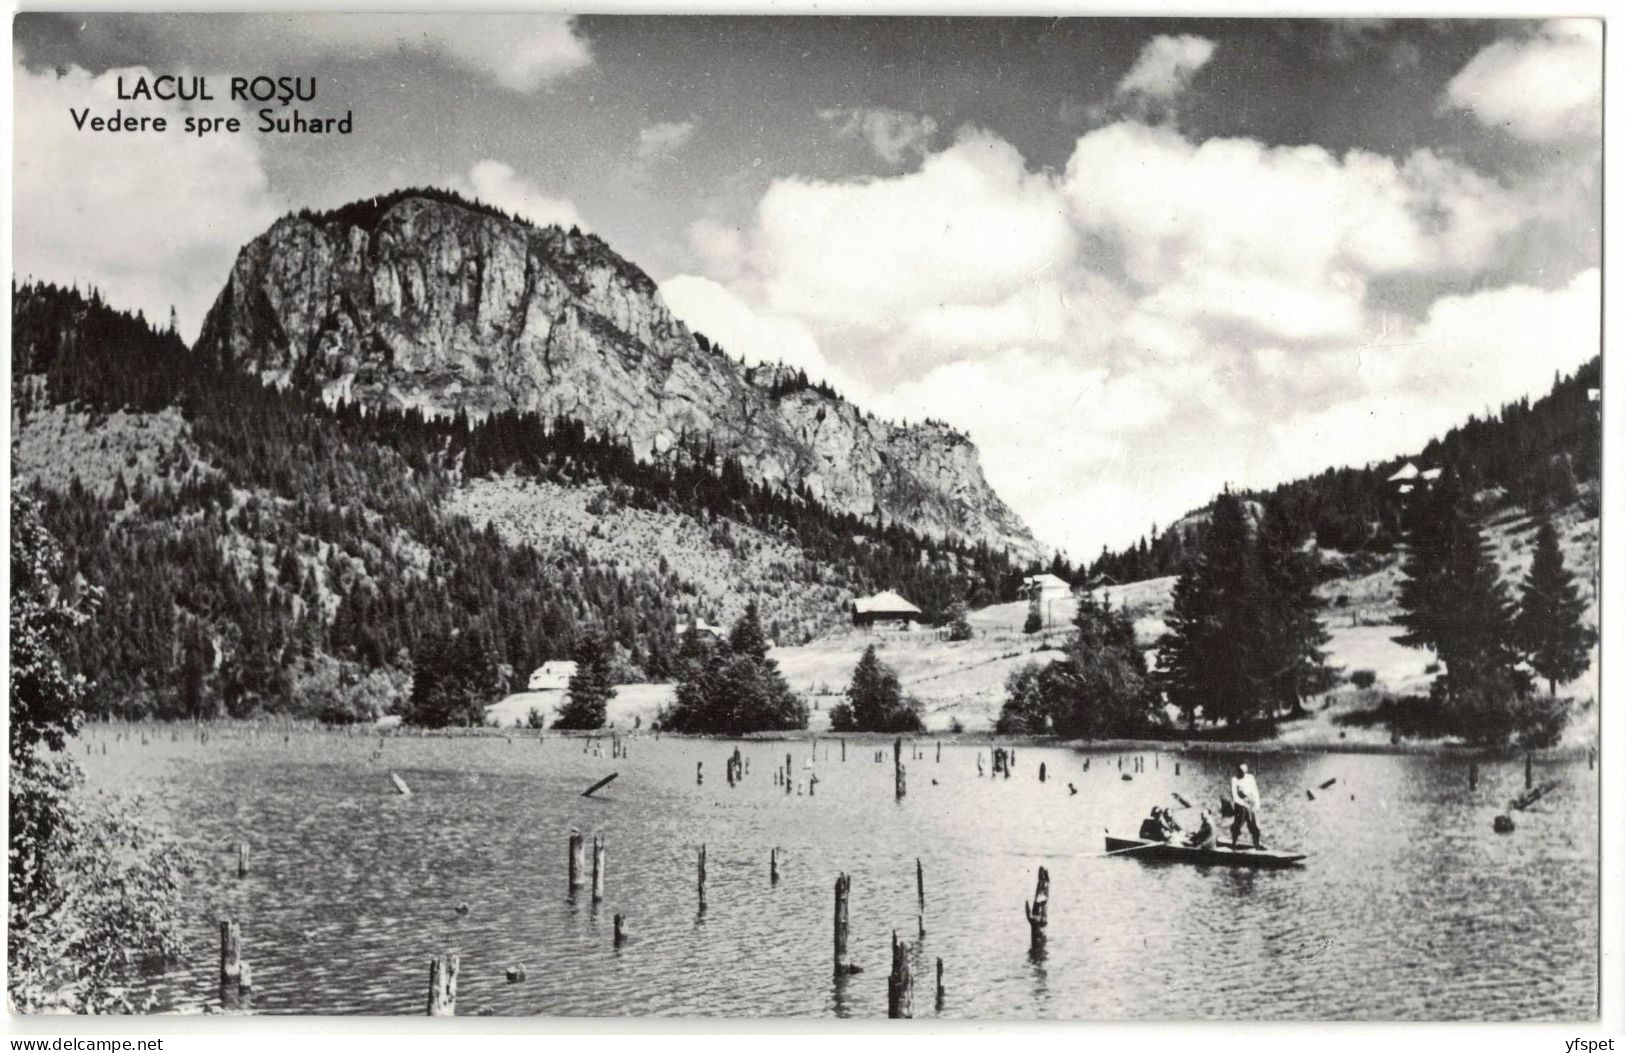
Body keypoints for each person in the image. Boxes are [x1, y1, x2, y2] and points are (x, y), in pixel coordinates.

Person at [1229, 763, 1263, 849]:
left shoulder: (1250, 778)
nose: (1243, 773)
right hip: (1240, 806)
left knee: (1255, 827)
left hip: (1251, 804)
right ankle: (1234, 845)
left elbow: (1255, 791)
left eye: (1244, 771)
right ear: (1238, 771)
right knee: (1237, 826)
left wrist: (1257, 803)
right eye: (1241, 771)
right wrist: (1244, 804)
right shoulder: (1234, 780)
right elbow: (1235, 797)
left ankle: (1257, 846)